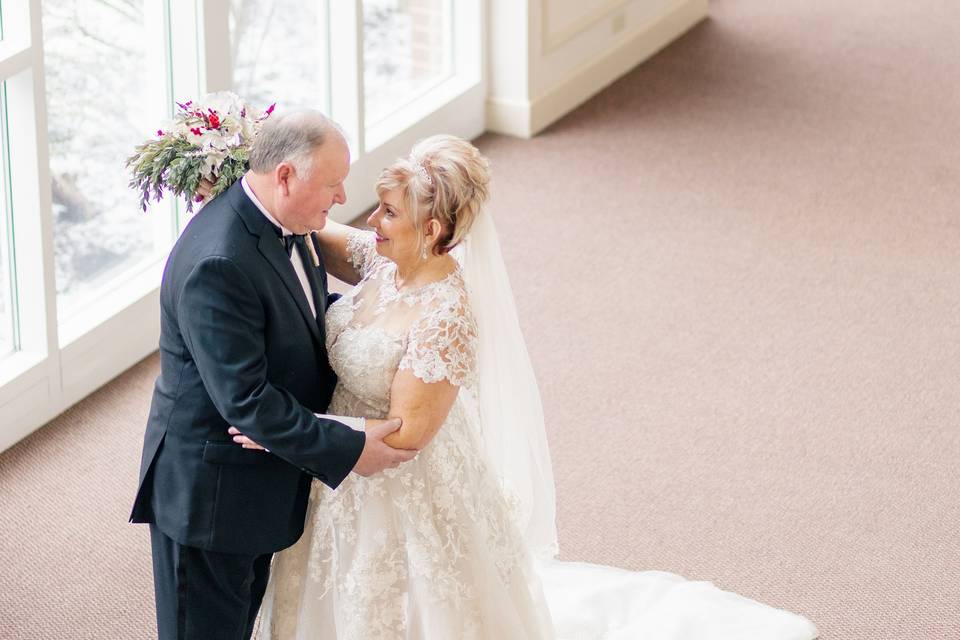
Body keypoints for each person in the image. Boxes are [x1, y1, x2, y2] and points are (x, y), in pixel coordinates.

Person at [234, 135, 820, 639]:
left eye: (387, 212)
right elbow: (317, 227)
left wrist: (285, 434)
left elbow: (407, 435)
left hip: (392, 477)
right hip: (338, 468)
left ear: (431, 229)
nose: (370, 222)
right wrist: (250, 177)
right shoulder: (386, 259)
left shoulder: (444, 317)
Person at [129, 110, 417, 640]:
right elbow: (248, 404)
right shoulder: (220, 262)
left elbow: (302, 316)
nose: (340, 197)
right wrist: (351, 447)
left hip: (259, 483)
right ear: (285, 175)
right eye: (332, 184)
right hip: (211, 497)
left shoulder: (286, 222)